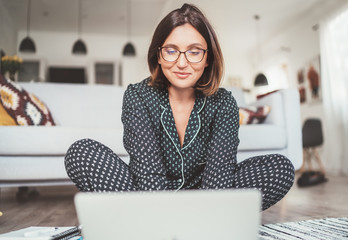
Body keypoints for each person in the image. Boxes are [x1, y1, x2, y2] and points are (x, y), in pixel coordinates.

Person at [65, 3, 294, 211]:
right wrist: (166, 212)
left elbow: (219, 177)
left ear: (208, 59)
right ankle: (178, 226)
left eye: (194, 52)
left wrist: (206, 208)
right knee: (80, 152)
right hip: (147, 198)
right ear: (159, 56)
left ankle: (174, 225)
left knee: (280, 168)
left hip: (206, 200)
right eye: (172, 50)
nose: (182, 63)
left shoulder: (224, 102)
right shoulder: (137, 96)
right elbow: (148, 174)